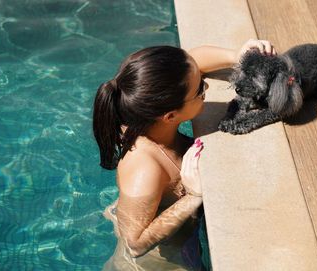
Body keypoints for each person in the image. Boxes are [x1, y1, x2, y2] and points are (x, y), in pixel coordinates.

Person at [92, 39, 276, 270]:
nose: (206, 88)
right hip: (155, 264)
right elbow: (134, 244)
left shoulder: (146, 105)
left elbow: (193, 62)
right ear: (170, 116)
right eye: (200, 90)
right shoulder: (144, 167)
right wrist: (193, 197)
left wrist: (238, 56)